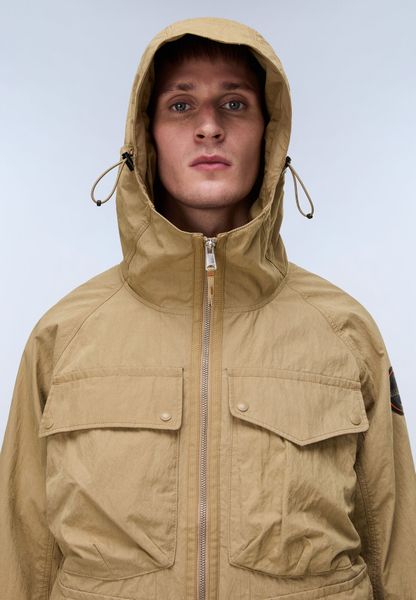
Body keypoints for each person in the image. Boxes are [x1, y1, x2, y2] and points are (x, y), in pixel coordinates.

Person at [0, 16, 415, 600]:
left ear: (269, 135)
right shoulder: (64, 337)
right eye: (181, 105)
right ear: (147, 136)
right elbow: (22, 556)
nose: (209, 127)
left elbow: (395, 552)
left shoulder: (344, 333)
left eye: (234, 104)